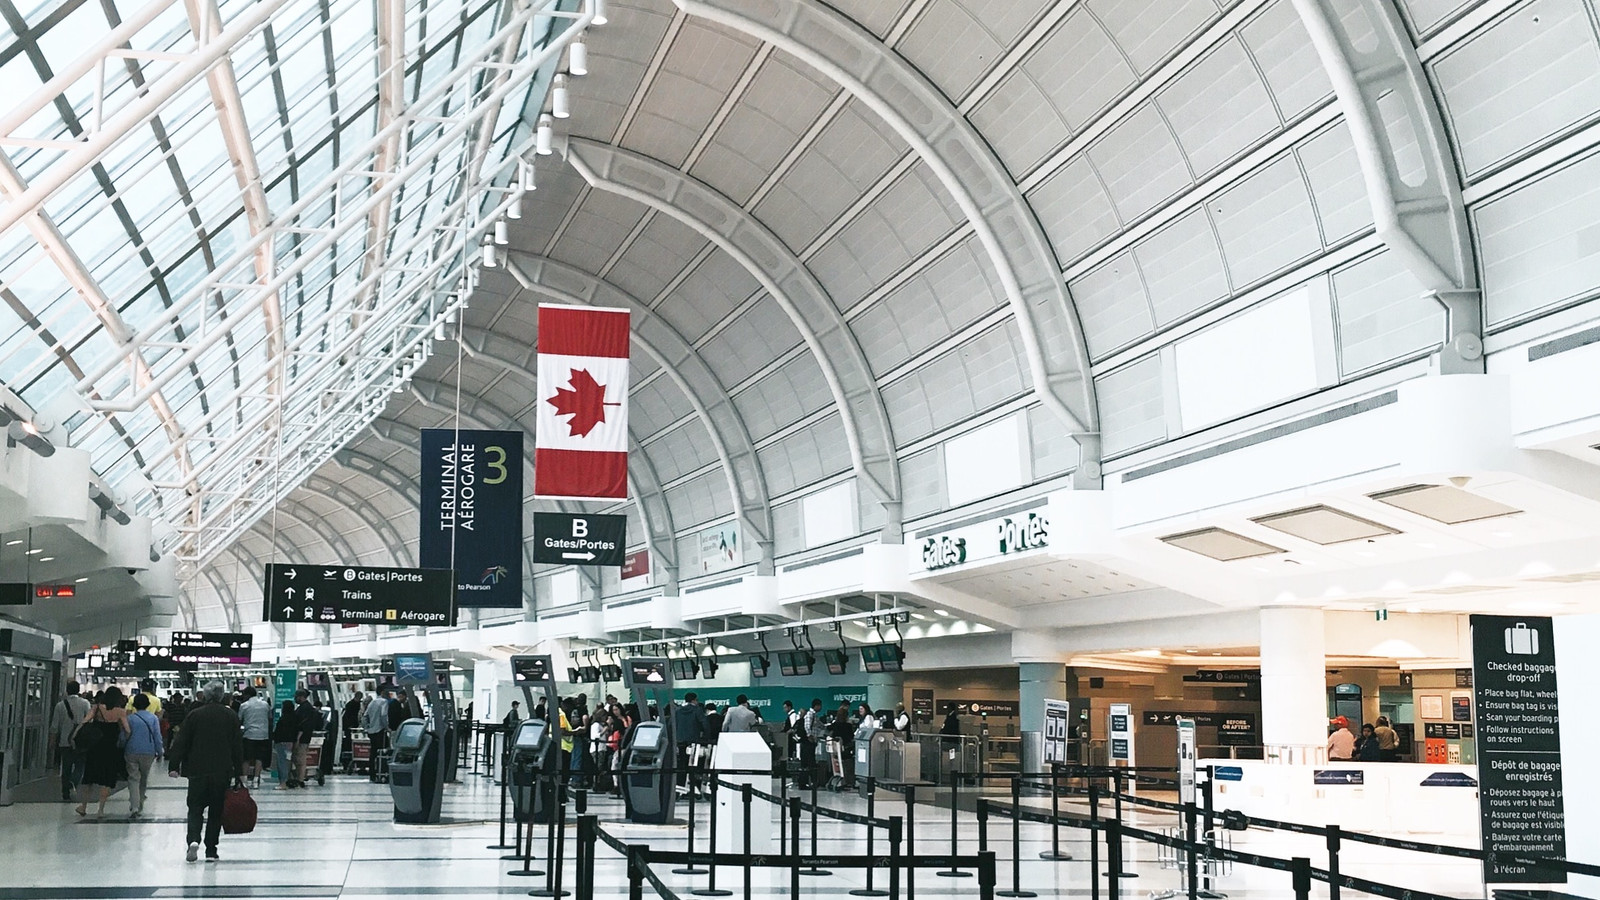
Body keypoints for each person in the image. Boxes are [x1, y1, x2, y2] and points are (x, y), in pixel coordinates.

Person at [167, 680, 244, 863]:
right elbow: (237, 746)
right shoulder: (230, 715)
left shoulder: (194, 715)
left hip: (197, 770)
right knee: (216, 811)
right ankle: (211, 850)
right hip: (222, 770)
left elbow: (181, 741)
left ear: (206, 695)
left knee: (195, 808)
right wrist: (239, 771)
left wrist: (173, 766)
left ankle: (193, 840)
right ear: (222, 695)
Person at [75, 686, 131, 817]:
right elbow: (127, 730)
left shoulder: (97, 708)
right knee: (106, 778)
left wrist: (76, 733)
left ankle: (83, 807)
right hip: (111, 748)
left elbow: (85, 721)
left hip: (95, 746)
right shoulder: (120, 711)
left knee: (89, 777)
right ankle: (101, 810)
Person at [124, 692, 164, 818]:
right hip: (148, 751)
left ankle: (134, 806)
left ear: (134, 705)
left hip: (131, 750)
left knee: (133, 778)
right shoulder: (153, 719)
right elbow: (157, 736)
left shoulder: (130, 719)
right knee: (144, 778)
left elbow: (124, 734)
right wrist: (160, 750)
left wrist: (121, 744)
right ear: (147, 705)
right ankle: (140, 802)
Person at [53, 680, 91, 802]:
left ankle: (65, 793)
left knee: (66, 767)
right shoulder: (85, 703)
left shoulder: (60, 705)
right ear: (78, 690)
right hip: (81, 742)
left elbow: (55, 726)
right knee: (80, 765)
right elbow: (89, 721)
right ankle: (73, 781)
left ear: (67, 691)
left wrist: (52, 741)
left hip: (65, 741)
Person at [238, 688, 271, 787]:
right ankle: (256, 780)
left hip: (249, 735)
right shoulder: (265, 705)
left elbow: (239, 719)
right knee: (259, 758)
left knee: (246, 758)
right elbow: (269, 717)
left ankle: (244, 781)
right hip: (263, 735)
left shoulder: (244, 706)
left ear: (247, 695)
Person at [293, 690, 321, 787]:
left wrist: (298, 738)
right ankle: (299, 777)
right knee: (298, 759)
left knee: (300, 759)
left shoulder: (305, 709)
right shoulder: (305, 707)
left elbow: (302, 725)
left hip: (302, 738)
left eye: (296, 696)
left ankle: (300, 779)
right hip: (304, 737)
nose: (295, 698)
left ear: (301, 696)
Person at [364, 690, 390, 782]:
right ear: (383, 693)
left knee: (373, 753)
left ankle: (372, 774)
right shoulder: (384, 702)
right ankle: (382, 772)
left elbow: (365, 715)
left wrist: (367, 727)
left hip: (371, 732)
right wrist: (387, 727)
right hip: (380, 731)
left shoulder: (372, 702)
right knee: (383, 752)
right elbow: (383, 715)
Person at [272, 700, 299, 788]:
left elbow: (279, 731)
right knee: (288, 762)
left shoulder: (284, 718)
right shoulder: (295, 717)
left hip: (282, 742)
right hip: (290, 742)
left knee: (282, 762)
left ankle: (282, 783)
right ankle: (290, 780)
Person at [800, 699, 824, 789]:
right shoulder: (810, 714)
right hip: (807, 742)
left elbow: (819, 725)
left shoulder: (814, 715)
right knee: (808, 762)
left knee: (810, 762)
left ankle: (809, 782)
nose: (821, 708)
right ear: (816, 705)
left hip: (811, 742)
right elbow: (807, 726)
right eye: (820, 706)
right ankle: (804, 783)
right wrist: (810, 736)